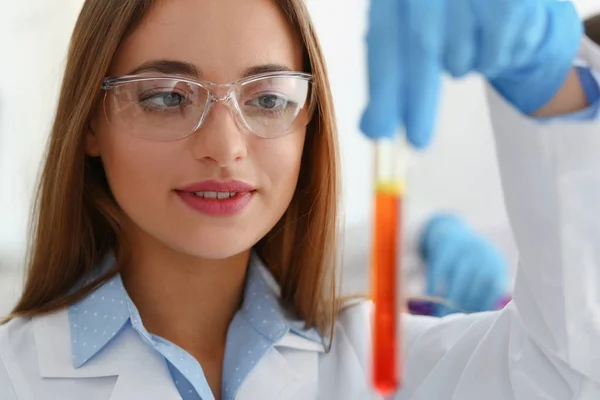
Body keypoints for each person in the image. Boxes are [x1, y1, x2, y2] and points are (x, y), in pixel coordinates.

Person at [0, 0, 598, 399]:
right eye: (163, 97)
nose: (225, 147)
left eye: (266, 99)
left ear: (308, 122)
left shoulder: (381, 366)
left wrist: (552, 88)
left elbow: (573, 373)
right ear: (89, 126)